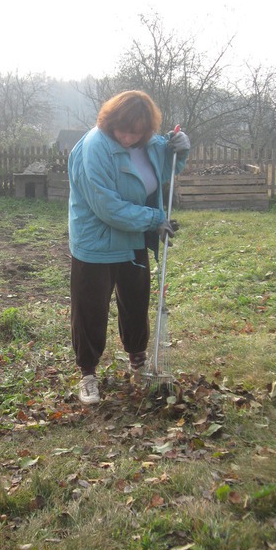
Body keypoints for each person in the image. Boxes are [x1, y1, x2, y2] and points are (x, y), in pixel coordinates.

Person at [68, 90, 191, 405]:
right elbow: (108, 208)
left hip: (133, 238)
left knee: (136, 302)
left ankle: (138, 363)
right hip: (96, 242)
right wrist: (154, 219)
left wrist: (181, 147)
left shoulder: (148, 144)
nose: (127, 137)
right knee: (91, 310)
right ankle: (88, 375)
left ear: (146, 130)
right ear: (110, 121)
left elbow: (169, 166)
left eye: (135, 132)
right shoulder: (94, 148)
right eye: (122, 129)